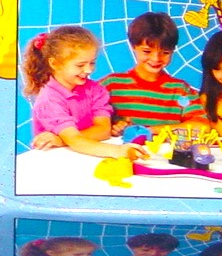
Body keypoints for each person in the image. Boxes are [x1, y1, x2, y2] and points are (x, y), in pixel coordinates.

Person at [22, 26, 146, 159]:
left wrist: (61, 140)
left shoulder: (95, 90)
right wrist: (119, 151)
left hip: (87, 155)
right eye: (80, 65)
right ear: (55, 64)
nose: (88, 70)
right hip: (55, 159)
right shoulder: (49, 100)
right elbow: (74, 140)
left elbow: (104, 130)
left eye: (92, 63)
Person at [101, 12, 203, 133]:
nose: (156, 59)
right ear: (133, 46)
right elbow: (87, 117)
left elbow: (201, 126)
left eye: (165, 53)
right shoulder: (111, 85)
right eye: (147, 51)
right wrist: (113, 124)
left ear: (173, 50)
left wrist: (148, 131)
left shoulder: (180, 91)